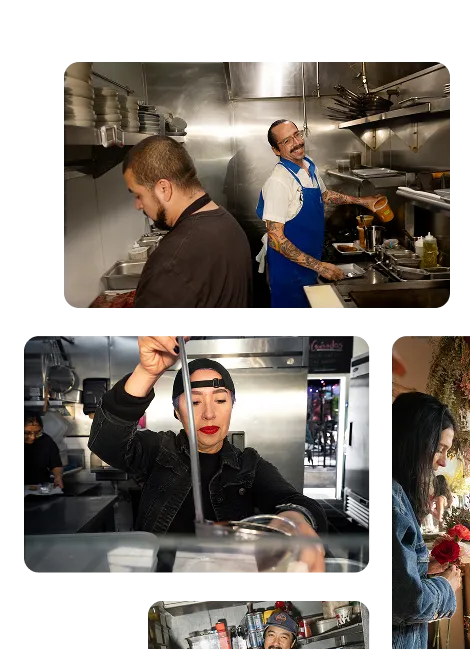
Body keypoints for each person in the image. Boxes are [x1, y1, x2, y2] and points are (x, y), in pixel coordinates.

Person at [87, 336, 326, 573]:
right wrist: (147, 373)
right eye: (194, 402)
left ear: (232, 405)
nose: (209, 414)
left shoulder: (248, 465)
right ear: (177, 413)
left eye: (220, 400)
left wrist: (294, 519)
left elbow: (295, 500)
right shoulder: (158, 449)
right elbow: (106, 442)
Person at [392, 392, 462, 649]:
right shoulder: (390, 498)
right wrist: (445, 587)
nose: (443, 461)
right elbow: (407, 602)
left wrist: (424, 569)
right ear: (413, 439)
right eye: (439, 448)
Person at [255, 119, 383, 309]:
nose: (297, 142)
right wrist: (320, 266)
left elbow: (325, 195)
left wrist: (363, 201)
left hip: (310, 263)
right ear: (276, 150)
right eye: (287, 141)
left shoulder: (308, 165)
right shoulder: (278, 183)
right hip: (289, 273)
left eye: (297, 135)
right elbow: (275, 238)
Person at [122, 136, 252, 309]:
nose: (138, 205)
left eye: (138, 195)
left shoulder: (171, 263)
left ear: (163, 189)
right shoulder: (228, 223)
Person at [23, 413, 63, 489]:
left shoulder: (46, 441)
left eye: (37, 433)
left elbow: (56, 464)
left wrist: (58, 477)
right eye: (27, 433)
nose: (32, 437)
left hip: (40, 487)